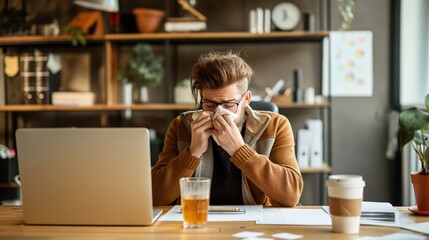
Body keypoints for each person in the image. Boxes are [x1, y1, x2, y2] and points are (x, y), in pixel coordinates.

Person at [151, 50, 303, 207]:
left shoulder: (276, 125)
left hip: (254, 226)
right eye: (209, 104)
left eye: (229, 105)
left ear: (246, 99)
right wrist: (192, 152)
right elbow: (155, 197)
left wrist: (239, 150)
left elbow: (290, 195)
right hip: (197, 220)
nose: (218, 112)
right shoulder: (181, 126)